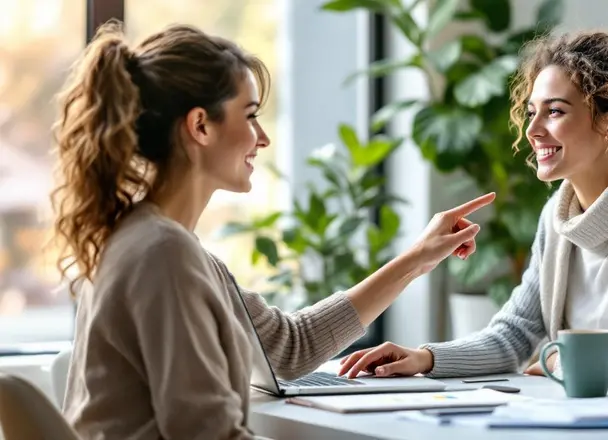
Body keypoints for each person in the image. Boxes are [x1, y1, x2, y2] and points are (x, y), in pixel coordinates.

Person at [50, 21, 494, 440]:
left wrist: (418, 258)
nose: (262, 138)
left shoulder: (155, 241)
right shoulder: (164, 253)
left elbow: (289, 347)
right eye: (249, 115)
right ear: (200, 125)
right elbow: (209, 434)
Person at [338, 30, 608, 401]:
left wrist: (555, 359)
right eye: (532, 111)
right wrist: (426, 358)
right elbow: (516, 333)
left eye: (554, 111)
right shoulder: (557, 215)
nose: (532, 129)